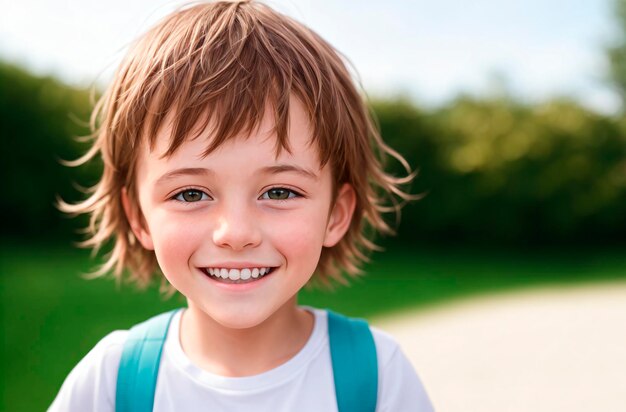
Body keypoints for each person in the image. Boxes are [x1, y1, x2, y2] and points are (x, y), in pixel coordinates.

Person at [50, 1, 434, 410]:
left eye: (280, 192)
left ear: (335, 214)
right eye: (190, 194)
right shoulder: (109, 382)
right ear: (139, 217)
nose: (235, 233)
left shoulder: (376, 375)